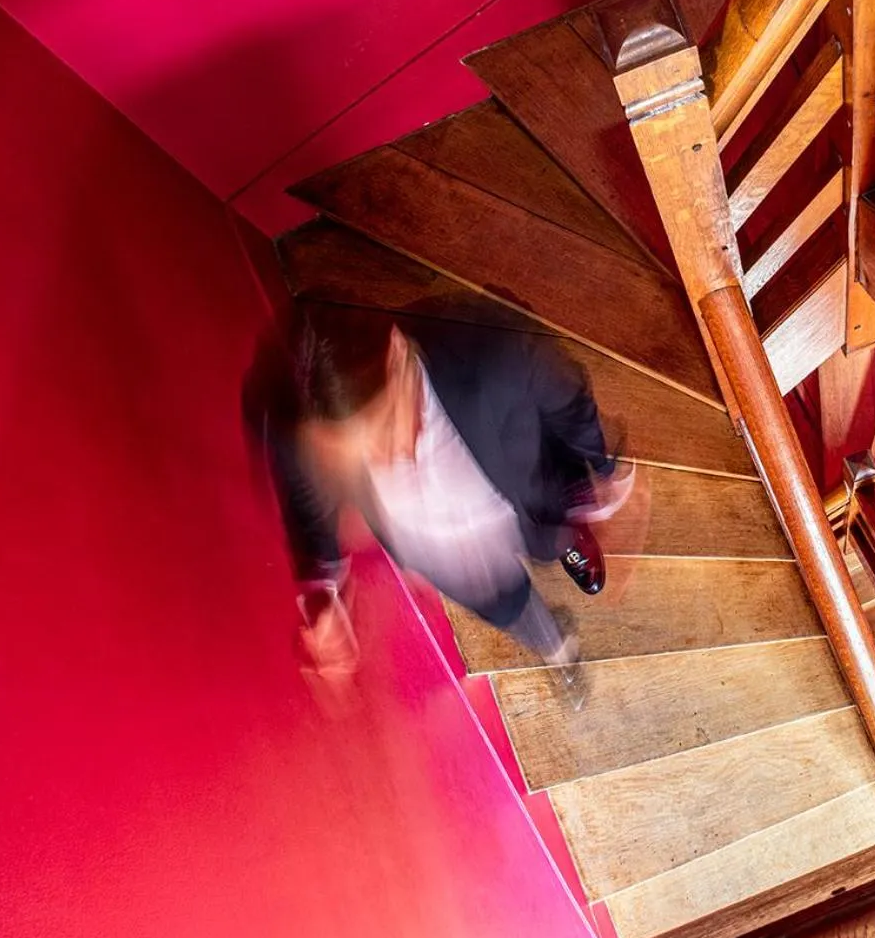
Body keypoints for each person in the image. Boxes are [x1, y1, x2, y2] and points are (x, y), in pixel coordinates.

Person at [242, 302, 631, 707]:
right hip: (448, 560)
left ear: (396, 353)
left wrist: (603, 476)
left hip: (531, 503)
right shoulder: (295, 424)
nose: (386, 462)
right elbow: (305, 500)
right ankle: (555, 648)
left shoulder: (497, 353)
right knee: (505, 607)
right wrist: (326, 600)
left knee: (553, 536)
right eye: (351, 463)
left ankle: (568, 541)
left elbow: (569, 405)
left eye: (385, 428)